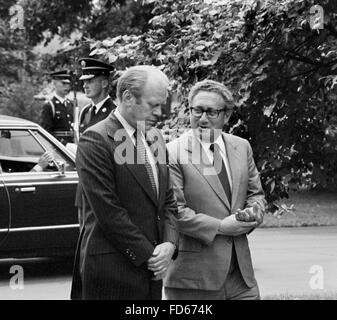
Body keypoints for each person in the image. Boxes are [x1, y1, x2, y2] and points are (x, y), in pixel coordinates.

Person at [70, 65, 179, 300]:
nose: (160, 113)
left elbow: (168, 199)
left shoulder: (155, 136)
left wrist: (169, 244)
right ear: (128, 97)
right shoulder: (96, 140)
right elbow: (108, 212)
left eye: (162, 105)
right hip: (112, 273)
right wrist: (149, 255)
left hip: (151, 273)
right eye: (153, 105)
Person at [164, 79, 266, 300]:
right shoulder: (171, 153)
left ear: (226, 116)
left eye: (211, 112)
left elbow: (255, 194)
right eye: (197, 111)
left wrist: (254, 212)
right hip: (194, 280)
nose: (202, 119)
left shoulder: (242, 146)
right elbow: (175, 211)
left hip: (242, 277)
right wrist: (221, 226)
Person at [78, 57, 117, 135]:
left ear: (104, 84)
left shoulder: (114, 112)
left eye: (89, 81)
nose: (85, 86)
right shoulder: (85, 111)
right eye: (84, 82)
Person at [40, 70, 74, 145]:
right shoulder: (50, 105)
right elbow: (46, 131)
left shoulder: (70, 104)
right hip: (57, 146)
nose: (67, 86)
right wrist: (63, 143)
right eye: (63, 83)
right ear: (54, 84)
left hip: (72, 144)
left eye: (68, 83)